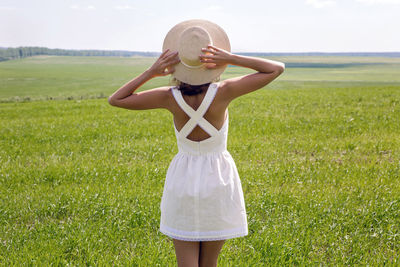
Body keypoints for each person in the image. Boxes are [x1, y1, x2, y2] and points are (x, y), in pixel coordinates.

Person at [108, 19, 284, 267]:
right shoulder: (224, 91)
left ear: (179, 65)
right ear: (211, 64)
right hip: (218, 180)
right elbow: (276, 69)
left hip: (183, 180)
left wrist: (152, 71)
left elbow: (116, 99)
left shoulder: (169, 97)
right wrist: (230, 58)